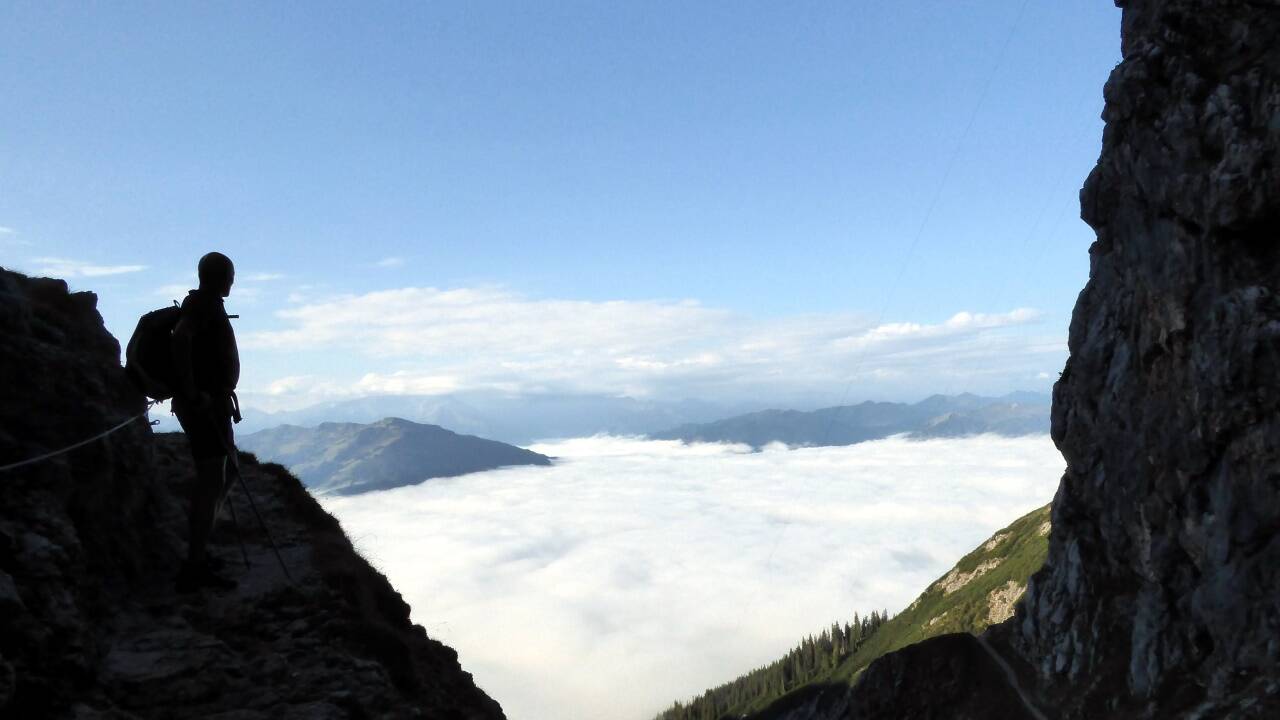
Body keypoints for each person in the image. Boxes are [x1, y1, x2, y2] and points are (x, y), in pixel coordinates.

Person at [171, 251, 242, 592]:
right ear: (216, 276)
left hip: (211, 405)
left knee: (224, 472)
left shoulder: (205, 304)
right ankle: (194, 563)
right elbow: (181, 339)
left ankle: (200, 549)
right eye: (229, 275)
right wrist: (193, 391)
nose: (232, 281)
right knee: (213, 478)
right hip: (205, 407)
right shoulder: (201, 306)